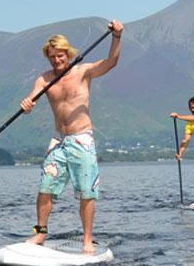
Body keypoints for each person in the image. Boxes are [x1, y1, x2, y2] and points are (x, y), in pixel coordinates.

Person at [20, 20, 124, 254]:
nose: (57, 61)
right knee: (45, 188)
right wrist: (27, 105)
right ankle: (40, 234)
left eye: (60, 56)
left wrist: (116, 37)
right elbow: (32, 100)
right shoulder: (45, 79)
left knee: (87, 192)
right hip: (58, 141)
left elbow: (111, 62)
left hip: (82, 140)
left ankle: (87, 240)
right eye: (52, 58)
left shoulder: (83, 71)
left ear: (68, 53)